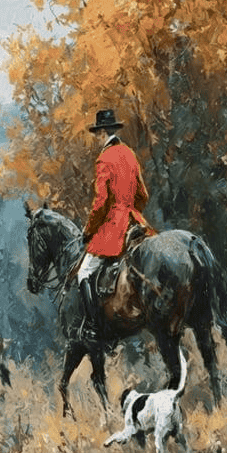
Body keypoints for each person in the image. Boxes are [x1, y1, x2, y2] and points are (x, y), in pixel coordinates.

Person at [76, 108, 150, 336]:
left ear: (101, 133)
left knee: (84, 272)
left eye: (97, 133)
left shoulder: (104, 158)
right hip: (135, 220)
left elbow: (101, 201)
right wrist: (132, 213)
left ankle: (94, 327)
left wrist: (89, 230)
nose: (96, 138)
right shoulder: (129, 153)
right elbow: (143, 195)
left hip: (114, 224)